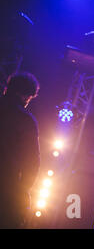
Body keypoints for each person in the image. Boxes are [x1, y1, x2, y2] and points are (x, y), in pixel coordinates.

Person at [0, 72, 40, 228]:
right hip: (7, 191)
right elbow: (32, 163)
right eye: (29, 98)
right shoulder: (26, 119)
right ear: (25, 96)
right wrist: (21, 191)